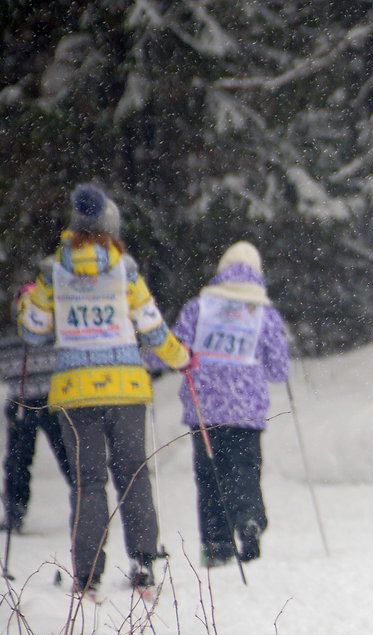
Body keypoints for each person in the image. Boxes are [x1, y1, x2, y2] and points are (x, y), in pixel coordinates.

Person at [17, 183, 196, 597]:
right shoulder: (124, 271)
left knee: (87, 482)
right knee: (133, 474)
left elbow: (33, 330)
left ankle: (87, 576)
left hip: (76, 395)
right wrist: (181, 357)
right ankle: (144, 564)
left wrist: (25, 301)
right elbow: (152, 327)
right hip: (125, 390)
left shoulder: (53, 272)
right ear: (111, 229)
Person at [167, 241, 289, 567]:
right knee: (245, 472)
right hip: (246, 413)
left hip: (204, 411)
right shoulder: (264, 314)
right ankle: (249, 519)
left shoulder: (198, 308)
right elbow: (279, 370)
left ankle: (216, 546)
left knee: (209, 478)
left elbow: (171, 350)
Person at [0, 324, 72, 535]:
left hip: (54, 401)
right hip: (21, 401)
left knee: (68, 454)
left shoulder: (56, 334)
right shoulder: (11, 338)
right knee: (18, 459)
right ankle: (15, 509)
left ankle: (87, 503)